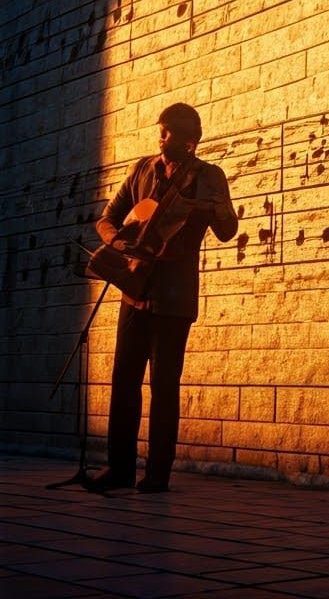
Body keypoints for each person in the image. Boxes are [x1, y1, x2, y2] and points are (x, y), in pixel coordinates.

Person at [86, 103, 237, 493]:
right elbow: (107, 218)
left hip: (174, 296)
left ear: (191, 140)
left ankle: (157, 473)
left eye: (169, 131)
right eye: (161, 130)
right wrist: (117, 241)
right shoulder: (142, 170)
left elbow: (226, 231)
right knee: (123, 381)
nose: (161, 136)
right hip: (134, 291)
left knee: (164, 386)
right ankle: (119, 469)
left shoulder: (208, 176)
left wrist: (216, 206)